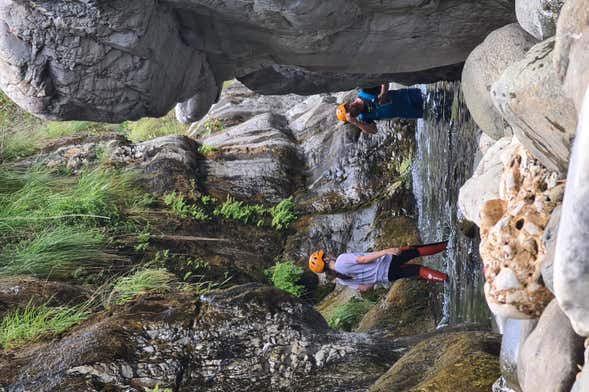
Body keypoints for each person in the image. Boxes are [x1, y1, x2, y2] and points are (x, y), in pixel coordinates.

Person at [308, 241, 448, 293]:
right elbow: (363, 260)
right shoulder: (341, 260)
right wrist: (385, 251)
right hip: (387, 261)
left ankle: (447, 280)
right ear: (326, 259)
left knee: (417, 270)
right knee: (415, 250)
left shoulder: (341, 280)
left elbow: (364, 288)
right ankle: (450, 244)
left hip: (387, 276)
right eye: (325, 254)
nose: (328, 253)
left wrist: (375, 276)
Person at [336, 84, 424, 134]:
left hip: (414, 96)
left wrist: (383, 92)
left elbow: (384, 80)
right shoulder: (365, 118)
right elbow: (374, 130)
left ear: (348, 105)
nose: (354, 115)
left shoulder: (365, 92)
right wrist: (355, 122)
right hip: (415, 112)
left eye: (350, 113)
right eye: (352, 117)